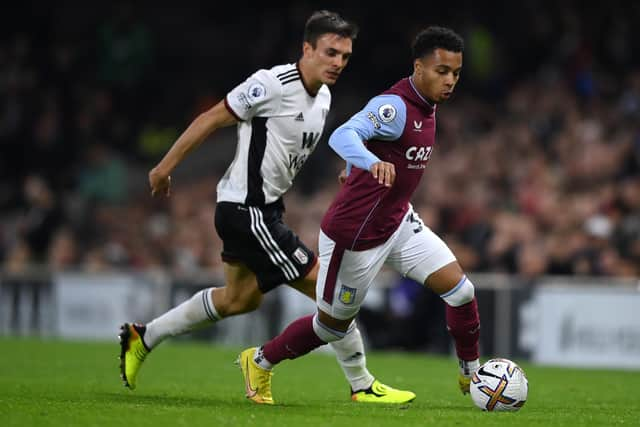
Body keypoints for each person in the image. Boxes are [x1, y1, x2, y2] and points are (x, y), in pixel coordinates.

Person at [118, 10, 415, 405]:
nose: (338, 63)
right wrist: (163, 168)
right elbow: (210, 119)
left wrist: (349, 168)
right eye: (330, 52)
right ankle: (361, 384)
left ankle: (144, 336)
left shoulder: (324, 97)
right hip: (247, 210)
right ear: (306, 49)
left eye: (344, 56)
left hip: (265, 209)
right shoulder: (271, 83)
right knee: (331, 290)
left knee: (239, 299)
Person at [239, 26, 481, 405]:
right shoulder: (395, 106)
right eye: (442, 71)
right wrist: (369, 163)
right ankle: (259, 360)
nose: (450, 80)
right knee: (330, 327)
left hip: (397, 222)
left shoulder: (429, 107)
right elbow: (344, 135)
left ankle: (472, 376)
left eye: (456, 73)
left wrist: (358, 167)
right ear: (419, 68)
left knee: (461, 290)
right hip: (353, 237)